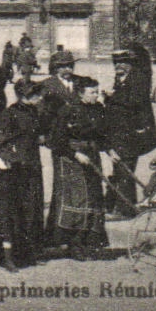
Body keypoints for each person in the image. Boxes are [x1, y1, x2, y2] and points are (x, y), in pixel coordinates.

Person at [45, 76, 109, 259]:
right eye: (92, 92)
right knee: (78, 201)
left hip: (92, 157)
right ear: (81, 93)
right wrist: (75, 154)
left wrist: (109, 149)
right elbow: (56, 141)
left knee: (94, 198)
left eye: (97, 92)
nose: (96, 96)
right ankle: (73, 243)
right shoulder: (68, 111)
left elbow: (101, 134)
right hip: (71, 161)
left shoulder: (98, 109)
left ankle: (89, 241)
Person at [0, 80, 48, 270]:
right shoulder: (9, 113)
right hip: (17, 168)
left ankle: (29, 251)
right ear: (24, 96)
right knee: (17, 209)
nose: (39, 98)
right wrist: (11, 158)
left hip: (32, 165)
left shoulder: (33, 111)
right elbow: (0, 140)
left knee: (33, 207)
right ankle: (11, 252)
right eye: (35, 95)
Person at [103, 47, 156, 216]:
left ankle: (126, 209)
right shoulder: (121, 78)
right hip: (120, 131)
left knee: (125, 169)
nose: (118, 66)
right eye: (116, 63)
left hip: (132, 132)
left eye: (123, 63)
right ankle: (121, 204)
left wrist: (111, 97)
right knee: (121, 168)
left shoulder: (138, 78)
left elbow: (134, 102)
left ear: (131, 64)